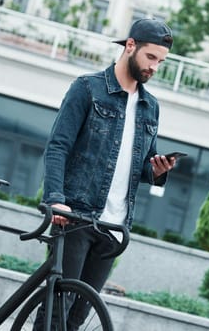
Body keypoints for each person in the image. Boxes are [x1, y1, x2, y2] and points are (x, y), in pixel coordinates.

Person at [41, 18, 176, 329]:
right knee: (55, 314)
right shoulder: (87, 89)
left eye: (161, 61)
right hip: (75, 216)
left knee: (77, 318)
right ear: (130, 46)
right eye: (151, 57)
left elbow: (136, 166)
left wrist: (156, 171)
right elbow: (58, 147)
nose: (155, 67)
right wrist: (56, 200)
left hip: (114, 228)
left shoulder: (149, 107)